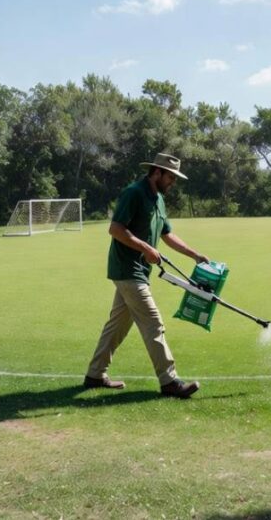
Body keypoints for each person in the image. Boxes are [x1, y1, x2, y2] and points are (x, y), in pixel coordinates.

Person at [83, 153, 209, 399]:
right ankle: (170, 381)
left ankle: (95, 374)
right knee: (153, 322)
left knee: (117, 326)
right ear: (157, 172)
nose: (172, 182)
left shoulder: (158, 199)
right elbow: (115, 229)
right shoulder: (134, 193)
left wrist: (194, 254)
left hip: (139, 271)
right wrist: (146, 248)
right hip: (127, 270)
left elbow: (166, 234)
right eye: (170, 176)